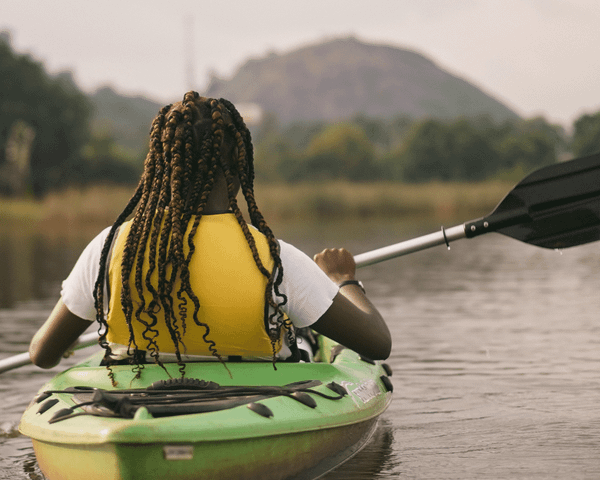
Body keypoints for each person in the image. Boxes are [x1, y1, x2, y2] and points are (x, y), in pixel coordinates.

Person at [29, 93, 391, 372]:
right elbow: (377, 344)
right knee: (303, 336)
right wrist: (343, 280)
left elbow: (42, 354)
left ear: (160, 169)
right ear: (238, 171)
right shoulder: (274, 260)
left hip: (130, 399)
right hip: (255, 405)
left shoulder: (109, 248)